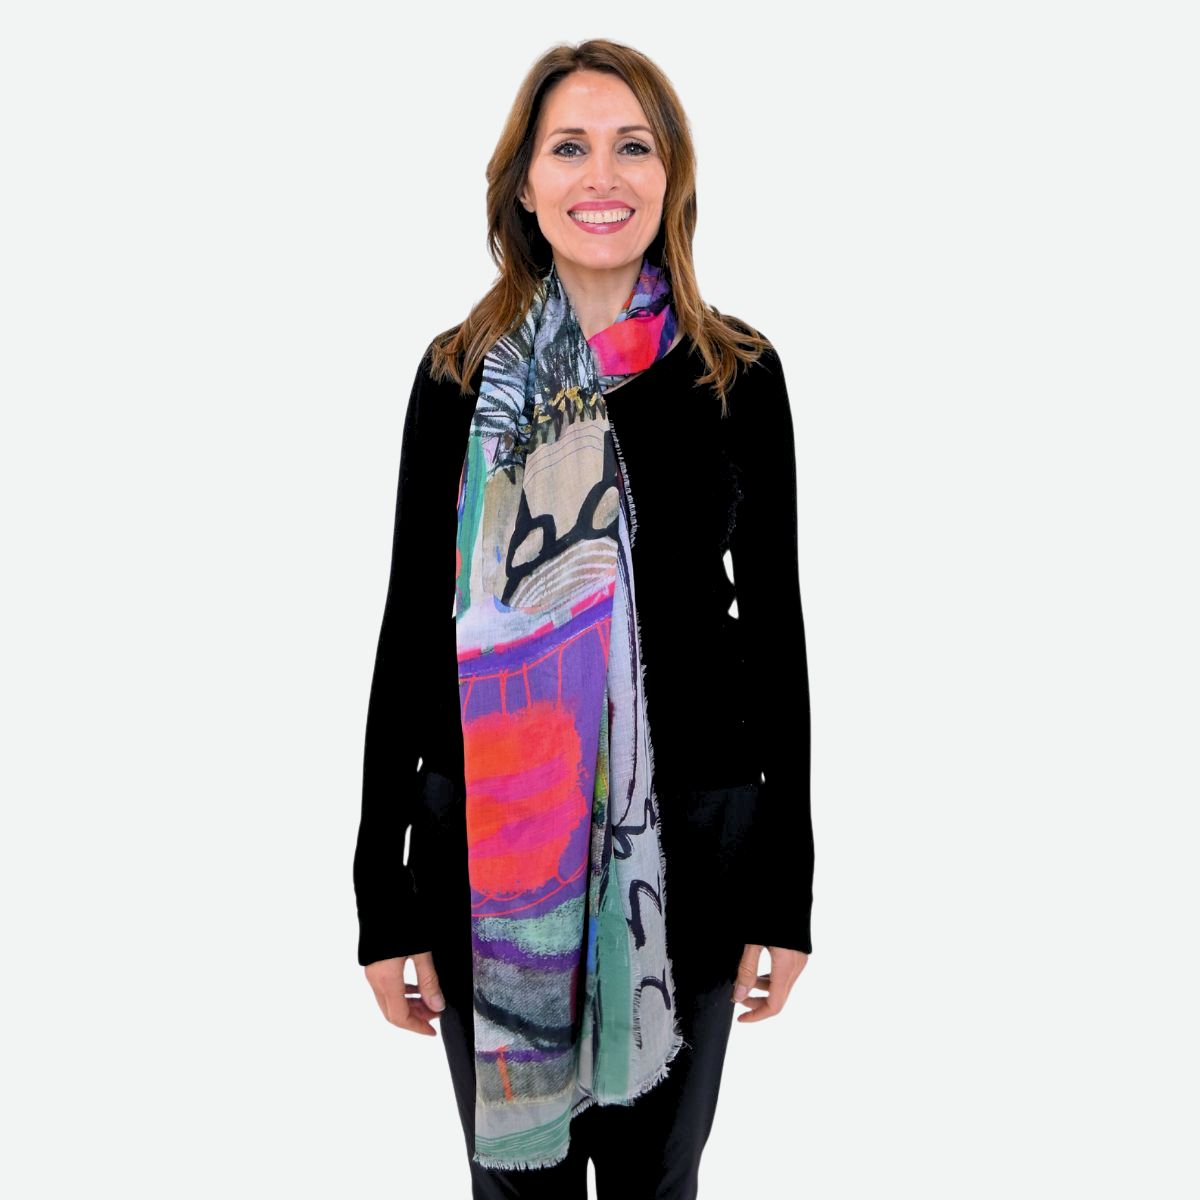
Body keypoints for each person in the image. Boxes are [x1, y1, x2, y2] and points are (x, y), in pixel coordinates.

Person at [353, 38, 813, 1199]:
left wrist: (787, 887)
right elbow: (409, 629)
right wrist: (378, 891)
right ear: (524, 183)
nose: (601, 175)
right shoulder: (460, 377)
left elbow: (776, 636)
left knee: (659, 1186)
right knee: (519, 1190)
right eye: (569, 148)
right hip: (489, 844)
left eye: (632, 146)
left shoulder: (737, 374)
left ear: (672, 176)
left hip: (694, 848)